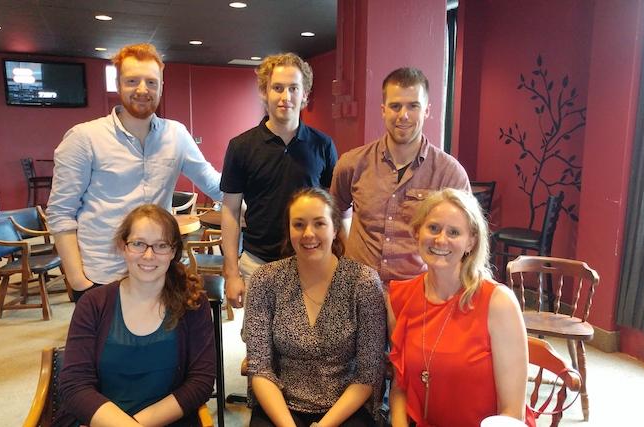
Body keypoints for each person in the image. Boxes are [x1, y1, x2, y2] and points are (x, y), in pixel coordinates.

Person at [47, 43, 222, 301]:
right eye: (132, 81)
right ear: (118, 85)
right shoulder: (84, 138)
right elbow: (61, 212)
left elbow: (213, 183)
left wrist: (260, 194)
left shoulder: (176, 135)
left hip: (158, 272)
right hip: (102, 275)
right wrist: (77, 280)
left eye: (151, 82)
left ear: (161, 86)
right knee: (108, 342)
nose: (143, 90)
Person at [56, 204, 216, 427]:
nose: (148, 255)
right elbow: (74, 385)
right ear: (123, 246)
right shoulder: (93, 304)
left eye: (161, 245)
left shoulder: (193, 305)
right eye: (138, 244)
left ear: (173, 251)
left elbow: (200, 382)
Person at [243, 188, 386, 427]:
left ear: (335, 228)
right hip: (281, 405)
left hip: (345, 408)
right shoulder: (265, 280)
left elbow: (368, 374)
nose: (308, 234)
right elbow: (259, 368)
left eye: (319, 223)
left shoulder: (363, 282)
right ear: (289, 231)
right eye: (298, 225)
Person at [388, 189, 529, 427]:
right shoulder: (400, 298)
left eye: (454, 232)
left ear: (470, 242)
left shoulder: (498, 303)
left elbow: (512, 413)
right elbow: (400, 388)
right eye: (433, 228)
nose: (441, 240)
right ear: (417, 232)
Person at [330, 67, 470, 284]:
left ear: (427, 111)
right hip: (357, 289)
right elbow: (335, 212)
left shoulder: (449, 174)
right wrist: (349, 250)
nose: (403, 115)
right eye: (395, 106)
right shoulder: (352, 163)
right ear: (383, 110)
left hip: (417, 293)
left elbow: (466, 236)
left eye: (413, 106)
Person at [221, 52, 338, 308]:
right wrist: (231, 273)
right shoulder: (241, 146)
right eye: (277, 88)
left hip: (311, 263)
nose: (286, 97)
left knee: (311, 345)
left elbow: (336, 209)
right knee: (259, 345)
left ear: (305, 95)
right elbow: (230, 211)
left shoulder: (323, 145)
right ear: (264, 93)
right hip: (257, 265)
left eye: (294, 88)